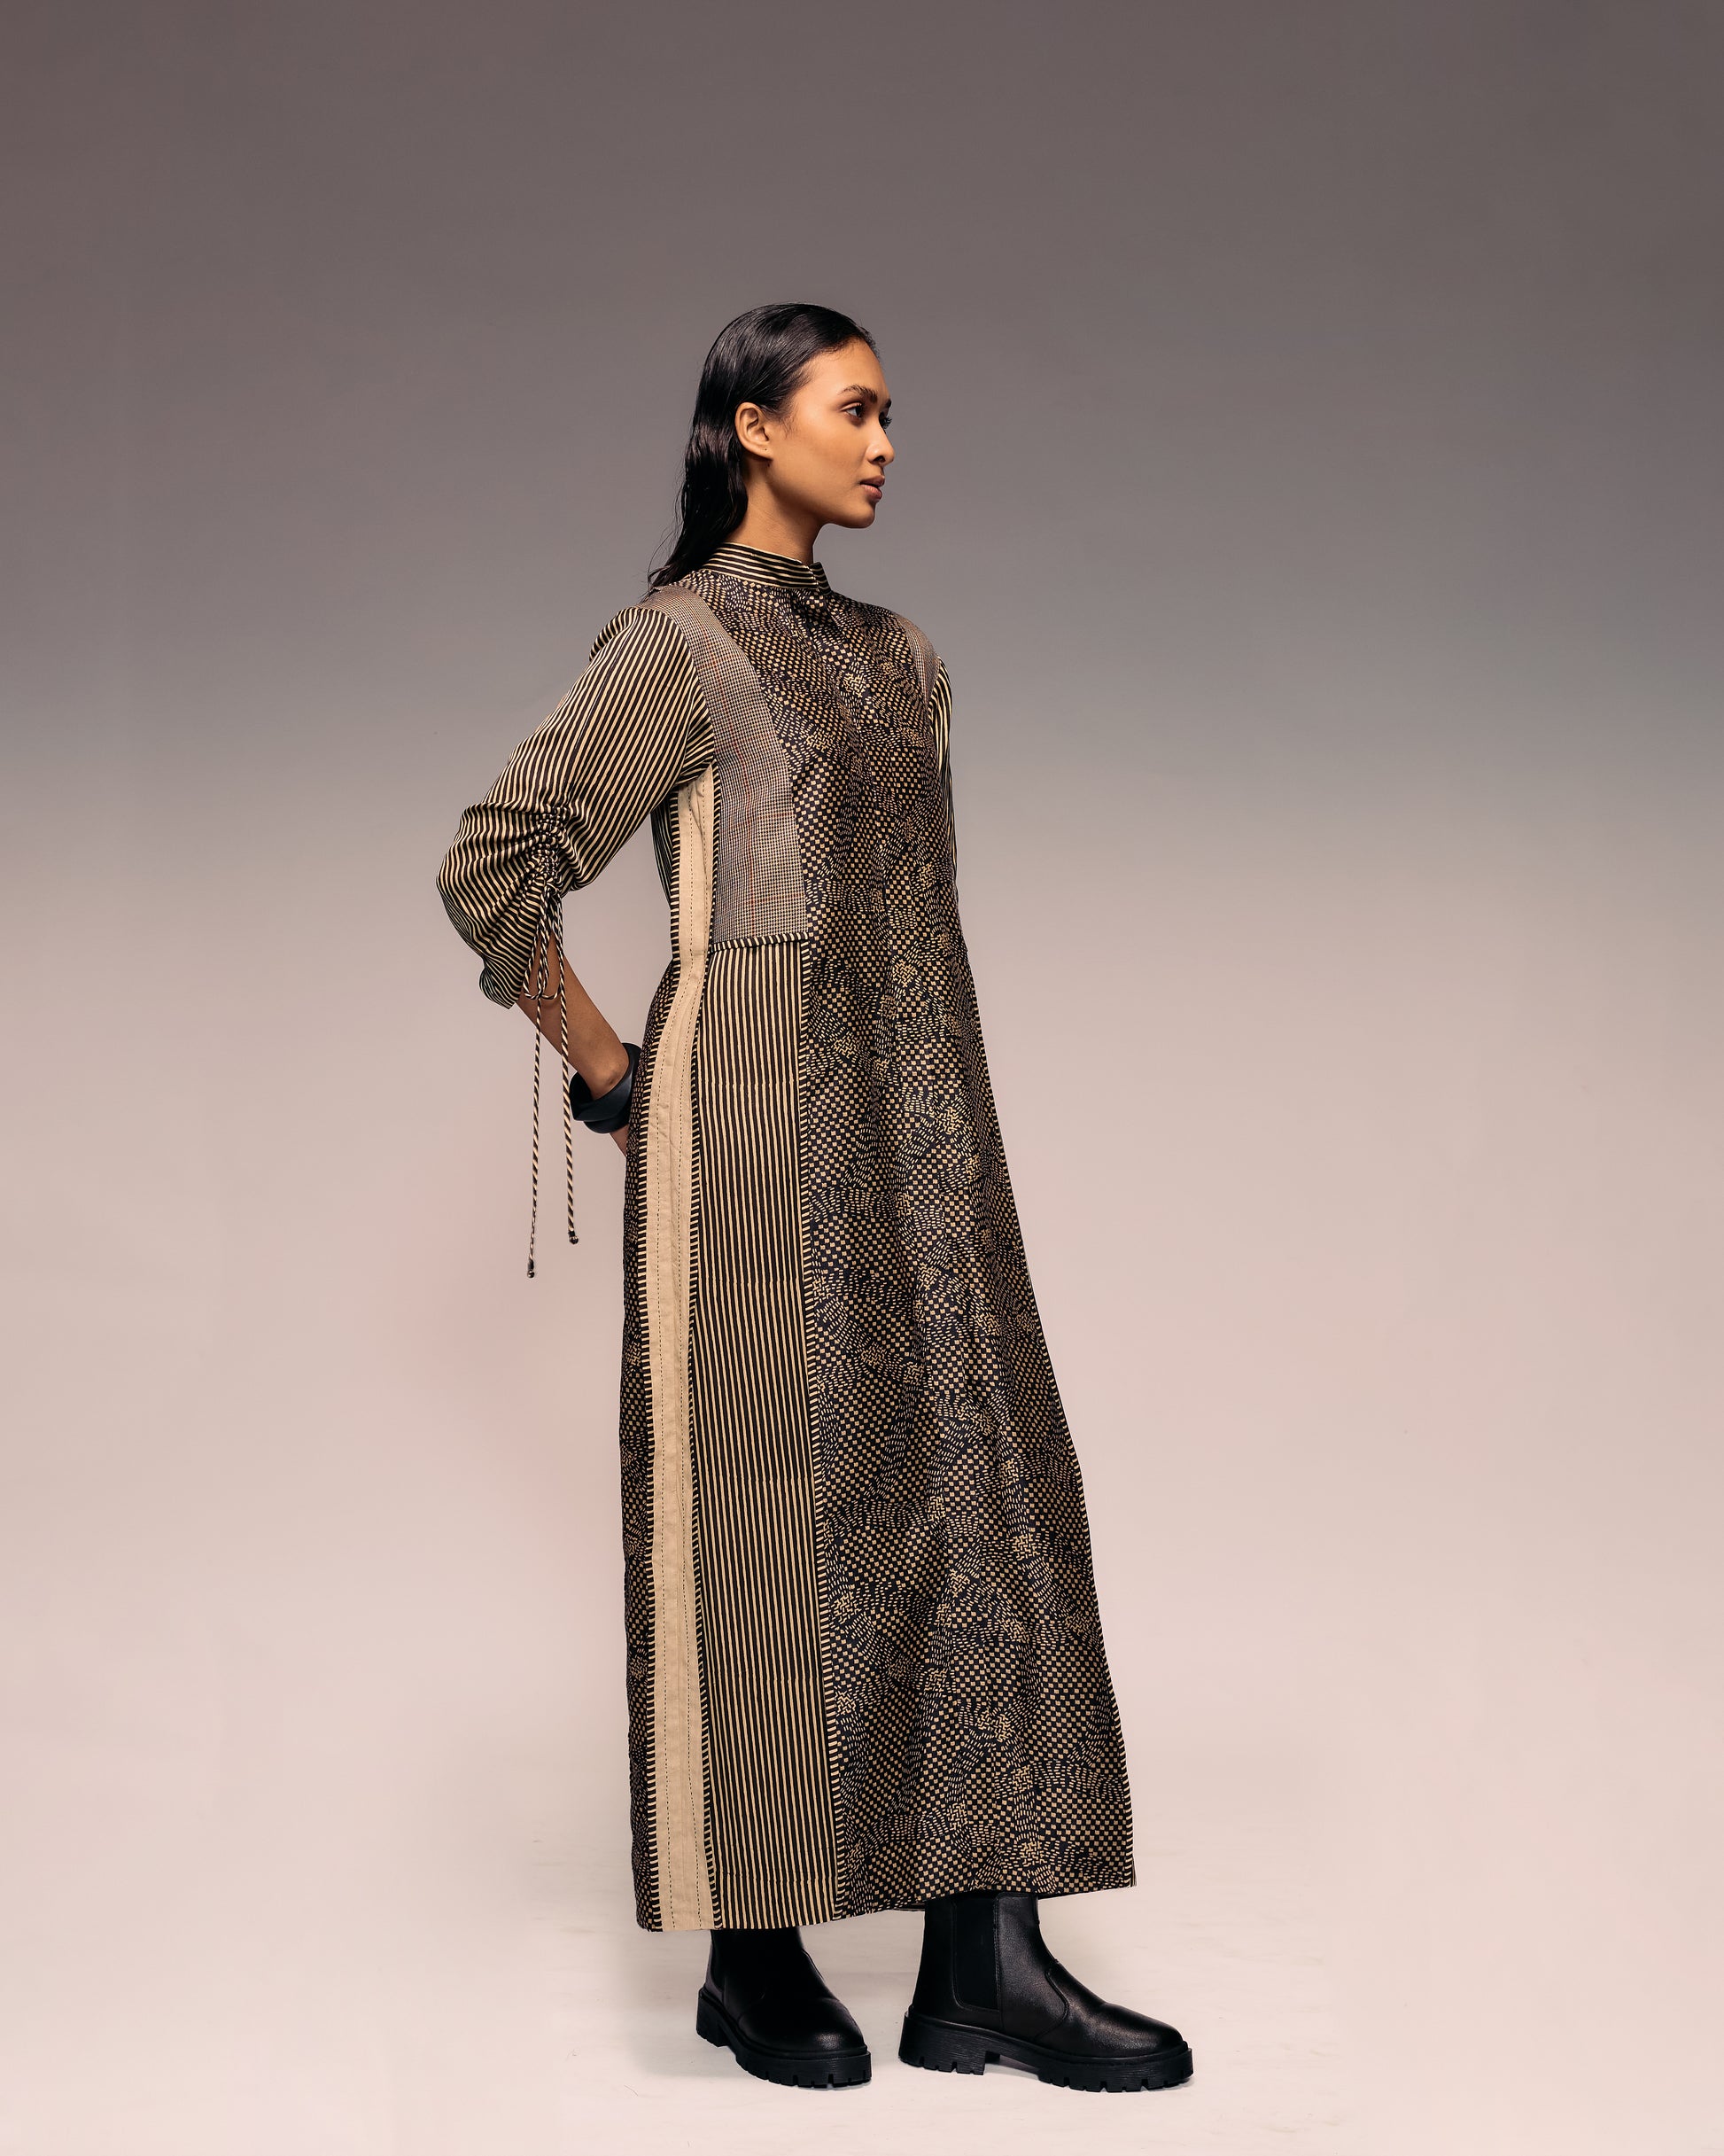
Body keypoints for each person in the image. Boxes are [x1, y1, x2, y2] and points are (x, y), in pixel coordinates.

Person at [435, 302, 1192, 2094]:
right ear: (754, 428)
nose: (886, 441)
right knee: (766, 1526)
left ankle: (985, 1958)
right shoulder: (675, 643)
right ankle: (751, 1953)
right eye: (854, 409)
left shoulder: (906, 657)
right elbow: (493, 864)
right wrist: (607, 1068)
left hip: (929, 1133)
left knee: (988, 1500)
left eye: (890, 411)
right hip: (752, 1138)